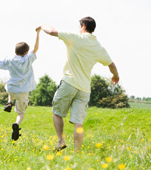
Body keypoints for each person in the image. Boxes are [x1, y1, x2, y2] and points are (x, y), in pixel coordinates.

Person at [38, 16, 119, 151]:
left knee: (57, 113)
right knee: (78, 122)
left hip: (69, 82)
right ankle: (77, 152)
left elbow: (52, 31)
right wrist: (115, 76)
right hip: (84, 89)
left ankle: (61, 141)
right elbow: (111, 65)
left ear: (83, 26)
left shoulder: (77, 37)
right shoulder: (98, 46)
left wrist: (41, 25)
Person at [0, 28, 41, 141]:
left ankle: (9, 102)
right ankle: (16, 124)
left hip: (11, 88)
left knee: (11, 90)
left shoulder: (10, 58)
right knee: (21, 113)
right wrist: (38, 33)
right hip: (23, 91)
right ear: (25, 52)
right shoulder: (27, 59)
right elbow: (36, 48)